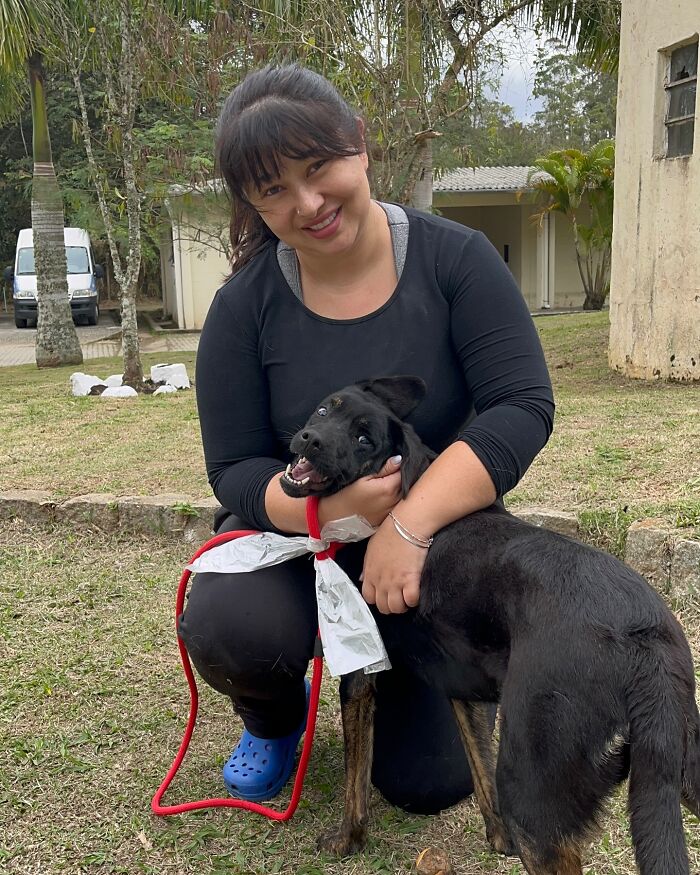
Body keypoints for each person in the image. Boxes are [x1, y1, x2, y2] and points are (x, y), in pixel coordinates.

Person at [178, 63, 555, 814]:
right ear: (251, 202)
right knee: (232, 622)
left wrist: (409, 525)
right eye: (273, 189)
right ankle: (274, 717)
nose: (307, 202)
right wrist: (328, 515)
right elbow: (235, 468)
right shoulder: (242, 307)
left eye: (319, 168)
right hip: (298, 544)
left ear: (359, 144)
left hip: (431, 551)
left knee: (428, 784)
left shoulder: (457, 261)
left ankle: (410, 686)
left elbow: (522, 405)